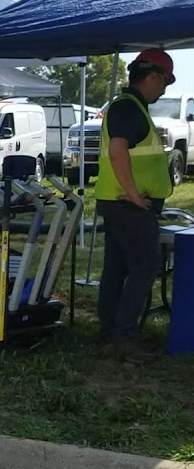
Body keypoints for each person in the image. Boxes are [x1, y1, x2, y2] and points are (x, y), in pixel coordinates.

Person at [95, 48, 176, 365]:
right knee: (145, 268)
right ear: (153, 76)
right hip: (129, 204)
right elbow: (118, 151)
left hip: (118, 203)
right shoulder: (129, 109)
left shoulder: (129, 107)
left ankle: (110, 337)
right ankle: (124, 340)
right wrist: (134, 193)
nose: (164, 89)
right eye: (165, 82)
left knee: (116, 271)